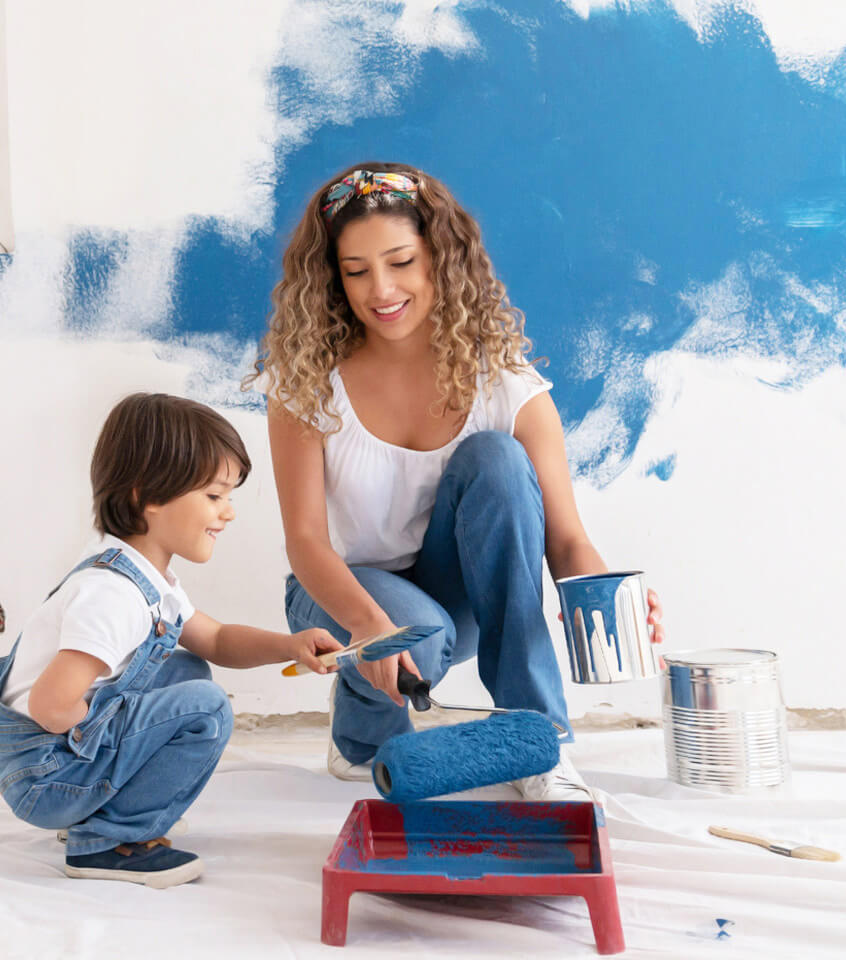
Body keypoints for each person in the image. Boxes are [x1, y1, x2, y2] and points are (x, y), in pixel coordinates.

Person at [250, 162, 665, 801]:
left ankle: (538, 746)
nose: (380, 289)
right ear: (334, 278)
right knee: (419, 632)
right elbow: (305, 542)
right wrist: (369, 625)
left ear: (440, 259)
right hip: (339, 596)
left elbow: (564, 538)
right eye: (356, 271)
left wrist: (610, 600)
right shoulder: (308, 385)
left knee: (497, 460)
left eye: (401, 262)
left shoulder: (505, 383)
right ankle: (359, 737)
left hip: (457, 601)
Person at [0, 392, 342, 887]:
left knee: (185, 670)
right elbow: (51, 705)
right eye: (215, 497)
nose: (229, 513)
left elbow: (214, 640)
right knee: (206, 709)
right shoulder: (111, 596)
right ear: (147, 497)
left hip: (57, 759)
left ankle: (105, 811)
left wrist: (290, 646)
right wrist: (105, 733)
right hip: (45, 776)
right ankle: (106, 840)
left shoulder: (147, 577)